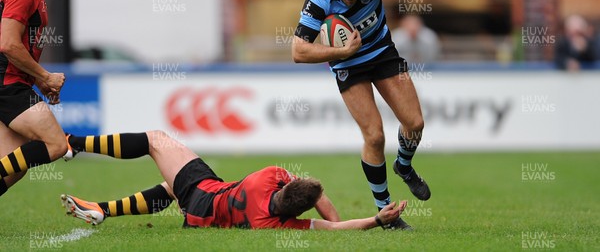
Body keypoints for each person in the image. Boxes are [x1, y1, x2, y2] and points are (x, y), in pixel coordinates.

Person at [292, 0, 488, 229]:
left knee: (415, 124)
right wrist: (339, 53)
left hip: (382, 52)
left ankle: (405, 166)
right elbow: (298, 51)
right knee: (374, 136)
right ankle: (387, 215)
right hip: (349, 65)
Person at [60, 131, 407, 230]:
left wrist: (334, 213)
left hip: (205, 191)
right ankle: (103, 210)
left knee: (156, 140)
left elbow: (317, 196)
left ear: (285, 184)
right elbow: (332, 228)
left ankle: (73, 143)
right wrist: (374, 220)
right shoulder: (273, 224)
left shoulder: (268, 176)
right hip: (199, 216)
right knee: (170, 189)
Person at [0, 0, 67, 196]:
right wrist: (46, 76)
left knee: (13, 166)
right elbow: (8, 43)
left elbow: (19, 46)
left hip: (14, 83)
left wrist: (40, 81)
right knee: (56, 144)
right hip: (8, 86)